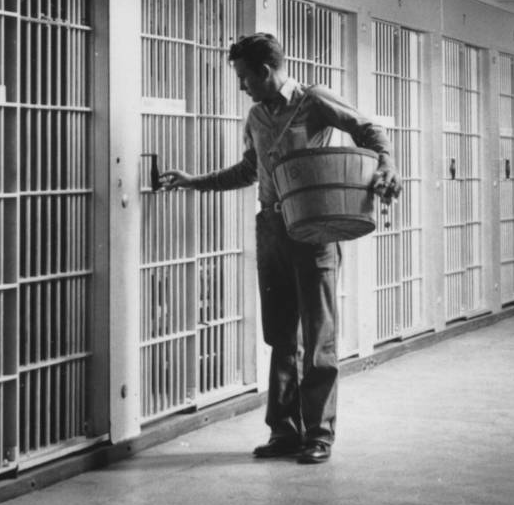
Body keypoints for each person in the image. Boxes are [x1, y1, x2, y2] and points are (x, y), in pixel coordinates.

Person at [159, 32, 400, 465]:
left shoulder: (313, 100)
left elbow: (369, 129)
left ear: (265, 71)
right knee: (281, 334)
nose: (241, 86)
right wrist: (195, 181)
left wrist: (385, 163)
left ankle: (319, 434)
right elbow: (250, 170)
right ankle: (285, 431)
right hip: (272, 226)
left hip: (313, 225)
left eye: (244, 77)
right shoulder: (255, 117)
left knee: (319, 333)